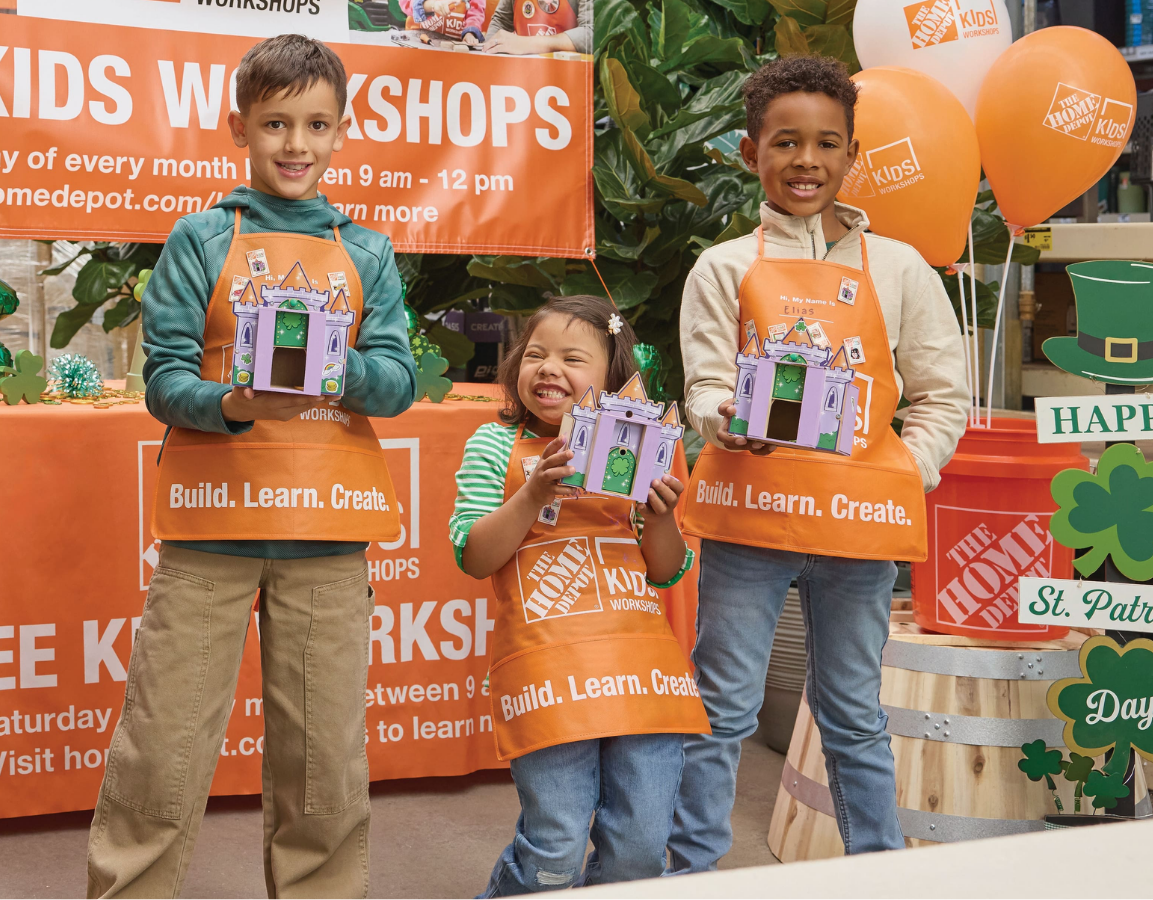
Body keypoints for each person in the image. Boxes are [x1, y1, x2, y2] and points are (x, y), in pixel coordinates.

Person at [85, 34, 416, 899]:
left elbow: (398, 383)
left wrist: (330, 373)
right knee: (161, 752)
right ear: (240, 128)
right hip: (209, 533)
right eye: (275, 124)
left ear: (342, 132)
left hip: (330, 536)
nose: (295, 144)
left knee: (325, 767)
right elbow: (163, 381)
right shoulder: (200, 239)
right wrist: (235, 404)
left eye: (315, 124)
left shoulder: (368, 251)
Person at [669, 56, 970, 869]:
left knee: (852, 713)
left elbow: (945, 393)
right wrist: (721, 418)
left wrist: (909, 469)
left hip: (858, 527)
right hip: (751, 521)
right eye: (785, 143)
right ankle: (692, 870)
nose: (806, 160)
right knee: (722, 707)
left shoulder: (901, 268)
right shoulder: (723, 268)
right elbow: (706, 381)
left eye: (826, 144)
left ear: (851, 156)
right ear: (748, 152)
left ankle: (879, 870)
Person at [449, 296, 709, 895]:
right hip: (547, 677)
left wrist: (662, 516)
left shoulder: (643, 448)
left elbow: (667, 573)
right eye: (535, 354)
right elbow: (475, 555)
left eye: (573, 358)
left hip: (642, 678)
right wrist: (533, 493)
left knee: (641, 852)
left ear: (614, 381)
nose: (548, 368)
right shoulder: (494, 446)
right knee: (554, 851)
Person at [482, 0, 591, 55]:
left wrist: (526, 44)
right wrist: (488, 53)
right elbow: (501, 21)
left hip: (569, 76)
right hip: (522, 76)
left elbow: (591, 33)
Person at [400, 0, 486, 43]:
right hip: (419, 40)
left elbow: (476, 12)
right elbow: (406, 3)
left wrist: (470, 32)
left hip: (455, 45)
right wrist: (431, 5)